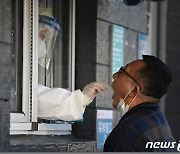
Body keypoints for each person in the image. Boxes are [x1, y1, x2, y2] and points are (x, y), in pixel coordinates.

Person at [103, 55, 177, 152]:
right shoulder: (160, 122)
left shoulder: (128, 132)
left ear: (133, 91)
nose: (114, 75)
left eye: (122, 72)